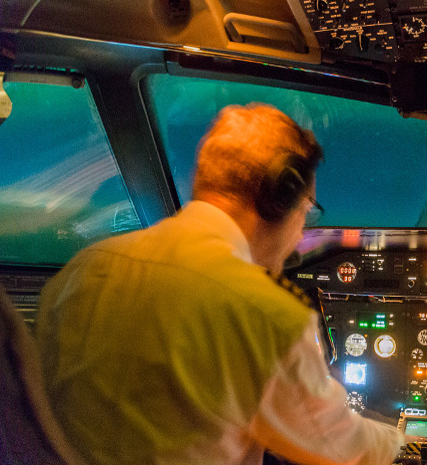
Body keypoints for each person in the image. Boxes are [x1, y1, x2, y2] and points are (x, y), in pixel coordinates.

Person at [35, 104, 405, 464]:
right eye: (307, 209)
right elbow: (343, 450)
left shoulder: (79, 273)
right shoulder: (265, 314)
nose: (300, 234)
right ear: (280, 198)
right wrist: (402, 438)